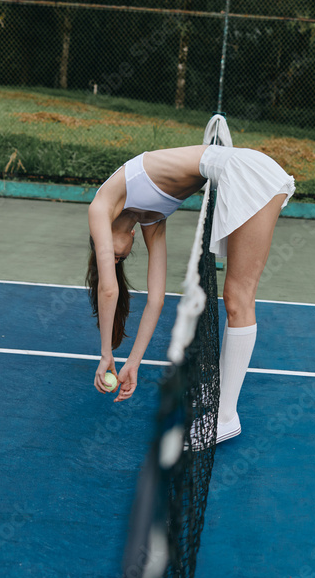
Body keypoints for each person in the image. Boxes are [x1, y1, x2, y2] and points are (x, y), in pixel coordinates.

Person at [86, 123, 295, 445]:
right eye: (116, 260)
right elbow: (156, 299)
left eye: (112, 256)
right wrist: (133, 363)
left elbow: (108, 288)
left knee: (239, 298)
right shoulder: (150, 218)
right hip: (240, 174)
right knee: (235, 297)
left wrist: (105, 355)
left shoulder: (101, 206)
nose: (113, 260)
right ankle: (221, 404)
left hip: (245, 173)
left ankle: (225, 417)